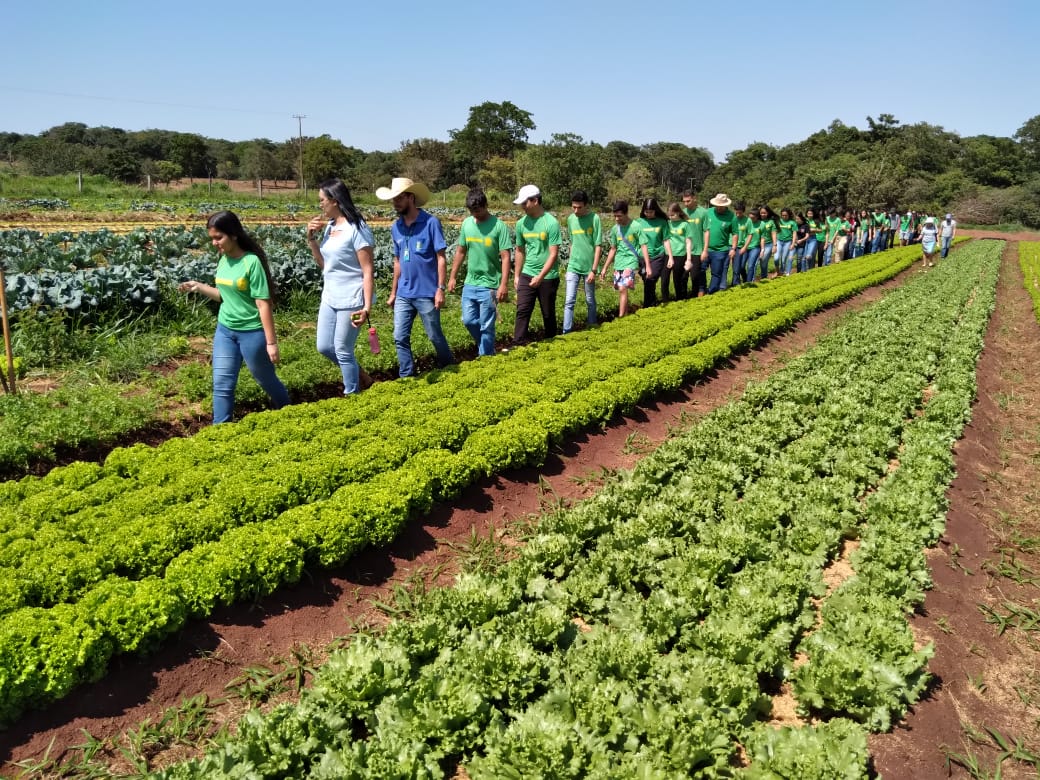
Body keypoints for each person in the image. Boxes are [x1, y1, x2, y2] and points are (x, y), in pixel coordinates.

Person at [179, 210, 290, 424]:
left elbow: (263, 304)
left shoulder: (251, 262)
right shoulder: (223, 259)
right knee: (222, 384)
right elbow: (224, 295)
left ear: (234, 235)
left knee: (265, 379)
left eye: (218, 237)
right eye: (212, 238)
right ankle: (220, 431)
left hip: (252, 333)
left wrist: (271, 343)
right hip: (225, 331)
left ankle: (288, 412)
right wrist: (199, 287)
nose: (214, 243)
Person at [377, 177, 454, 378]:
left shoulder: (430, 223)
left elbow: (441, 258)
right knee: (399, 337)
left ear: (410, 197)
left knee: (434, 335)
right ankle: (406, 376)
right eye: (393, 199)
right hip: (404, 293)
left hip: (427, 293)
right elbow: (397, 262)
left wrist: (440, 289)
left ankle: (449, 367)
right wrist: (393, 293)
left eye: (399, 198)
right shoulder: (396, 227)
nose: (395, 203)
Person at [306, 178, 375, 396]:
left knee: (343, 349)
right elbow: (324, 265)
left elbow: (367, 270)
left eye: (322, 200)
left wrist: (366, 307)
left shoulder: (357, 229)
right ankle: (360, 375)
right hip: (330, 296)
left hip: (352, 298)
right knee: (325, 347)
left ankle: (351, 395)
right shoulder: (330, 227)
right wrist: (311, 239)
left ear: (334, 200)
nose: (320, 204)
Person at [448, 187, 512, 356]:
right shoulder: (467, 224)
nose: (475, 214)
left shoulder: (499, 226)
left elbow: (506, 257)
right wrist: (452, 277)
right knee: (468, 320)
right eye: (472, 211)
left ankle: (486, 359)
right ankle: (487, 349)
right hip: (470, 282)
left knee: (486, 326)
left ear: (486, 205)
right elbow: (461, 251)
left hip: (490, 285)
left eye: (478, 210)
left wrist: (504, 284)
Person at [512, 184, 562, 345]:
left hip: (548, 276)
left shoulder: (551, 223)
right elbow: (520, 251)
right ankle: (518, 344)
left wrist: (540, 277)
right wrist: (517, 276)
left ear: (535, 201)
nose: (522, 207)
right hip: (527, 273)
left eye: (524, 203)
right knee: (522, 310)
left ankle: (551, 343)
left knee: (547, 314)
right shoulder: (521, 224)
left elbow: (553, 254)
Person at [563, 190, 601, 332]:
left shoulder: (594, 219)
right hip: (573, 266)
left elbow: (598, 246)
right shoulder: (570, 219)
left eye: (579, 207)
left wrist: (594, 270)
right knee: (569, 301)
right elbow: (572, 243)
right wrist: (568, 265)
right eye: (573, 207)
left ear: (586, 205)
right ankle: (566, 332)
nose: (576, 210)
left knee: (590, 300)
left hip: (589, 268)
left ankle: (592, 326)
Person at [602, 199, 648, 317]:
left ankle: (621, 317)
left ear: (626, 213)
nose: (617, 219)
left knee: (623, 288)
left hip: (631, 261)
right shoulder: (615, 229)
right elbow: (613, 249)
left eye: (619, 216)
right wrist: (605, 268)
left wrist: (648, 266)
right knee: (621, 289)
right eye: (615, 216)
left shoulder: (636, 226)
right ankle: (626, 315)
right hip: (619, 262)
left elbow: (643, 246)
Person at [702, 194, 739, 294]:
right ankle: (702, 290)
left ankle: (711, 292)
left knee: (716, 273)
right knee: (701, 270)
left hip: (720, 250)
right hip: (705, 248)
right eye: (717, 205)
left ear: (725, 205)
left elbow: (735, 233)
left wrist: (733, 249)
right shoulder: (708, 212)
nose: (718, 207)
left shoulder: (731, 216)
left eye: (721, 206)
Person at [638, 198, 669, 306]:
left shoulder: (662, 222)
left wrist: (670, 256)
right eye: (646, 212)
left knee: (651, 278)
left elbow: (666, 240)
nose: (648, 214)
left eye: (651, 212)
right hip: (642, 256)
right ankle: (652, 303)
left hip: (657, 255)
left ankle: (647, 305)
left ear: (655, 210)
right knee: (647, 281)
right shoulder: (639, 222)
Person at [682, 190, 709, 295]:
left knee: (695, 276)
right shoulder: (682, 213)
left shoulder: (703, 212)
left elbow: (706, 231)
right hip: (684, 250)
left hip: (697, 250)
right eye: (684, 201)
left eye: (688, 201)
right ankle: (683, 297)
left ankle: (695, 296)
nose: (686, 204)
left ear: (694, 198)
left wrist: (705, 250)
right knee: (683, 276)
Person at [665, 202, 693, 295]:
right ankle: (666, 299)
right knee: (664, 279)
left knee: (677, 279)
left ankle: (680, 298)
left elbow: (688, 242)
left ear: (678, 213)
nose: (670, 217)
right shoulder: (667, 223)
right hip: (668, 254)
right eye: (669, 215)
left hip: (680, 254)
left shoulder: (685, 224)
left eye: (672, 215)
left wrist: (688, 259)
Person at [742, 207, 765, 282]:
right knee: (741, 266)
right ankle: (745, 279)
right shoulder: (746, 222)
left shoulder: (762, 224)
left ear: (757, 217)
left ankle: (749, 282)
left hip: (755, 247)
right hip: (745, 247)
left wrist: (762, 250)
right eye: (750, 217)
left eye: (753, 218)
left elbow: (762, 238)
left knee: (750, 266)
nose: (751, 219)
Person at [756, 205, 779, 279]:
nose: (762, 214)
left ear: (768, 213)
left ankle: (763, 277)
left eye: (764, 213)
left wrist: (775, 245)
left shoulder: (771, 222)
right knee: (757, 262)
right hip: (757, 244)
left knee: (763, 260)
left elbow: (773, 233)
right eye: (761, 213)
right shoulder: (757, 221)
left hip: (768, 244)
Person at [776, 207, 797, 276]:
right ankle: (778, 271)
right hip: (779, 241)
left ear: (789, 215)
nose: (784, 217)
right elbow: (775, 231)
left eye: (786, 215)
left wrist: (793, 244)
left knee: (783, 259)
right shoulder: (778, 221)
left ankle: (782, 272)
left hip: (787, 242)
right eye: (783, 215)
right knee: (776, 257)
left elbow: (794, 234)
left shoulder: (792, 223)